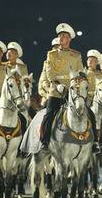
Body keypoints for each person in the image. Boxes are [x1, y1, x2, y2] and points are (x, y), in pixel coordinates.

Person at [40, 23, 98, 153]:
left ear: (69, 39)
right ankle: (45, 142)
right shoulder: (52, 55)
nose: (61, 38)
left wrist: (81, 81)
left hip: (72, 92)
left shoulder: (76, 55)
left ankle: (94, 142)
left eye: (65, 36)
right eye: (60, 36)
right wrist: (58, 84)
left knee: (90, 114)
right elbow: (50, 74)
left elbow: (79, 73)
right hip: (56, 91)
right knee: (48, 115)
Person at [38, 37, 59, 107]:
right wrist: (49, 94)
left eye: (58, 48)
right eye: (55, 48)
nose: (56, 50)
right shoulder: (47, 63)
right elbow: (42, 84)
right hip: (49, 96)